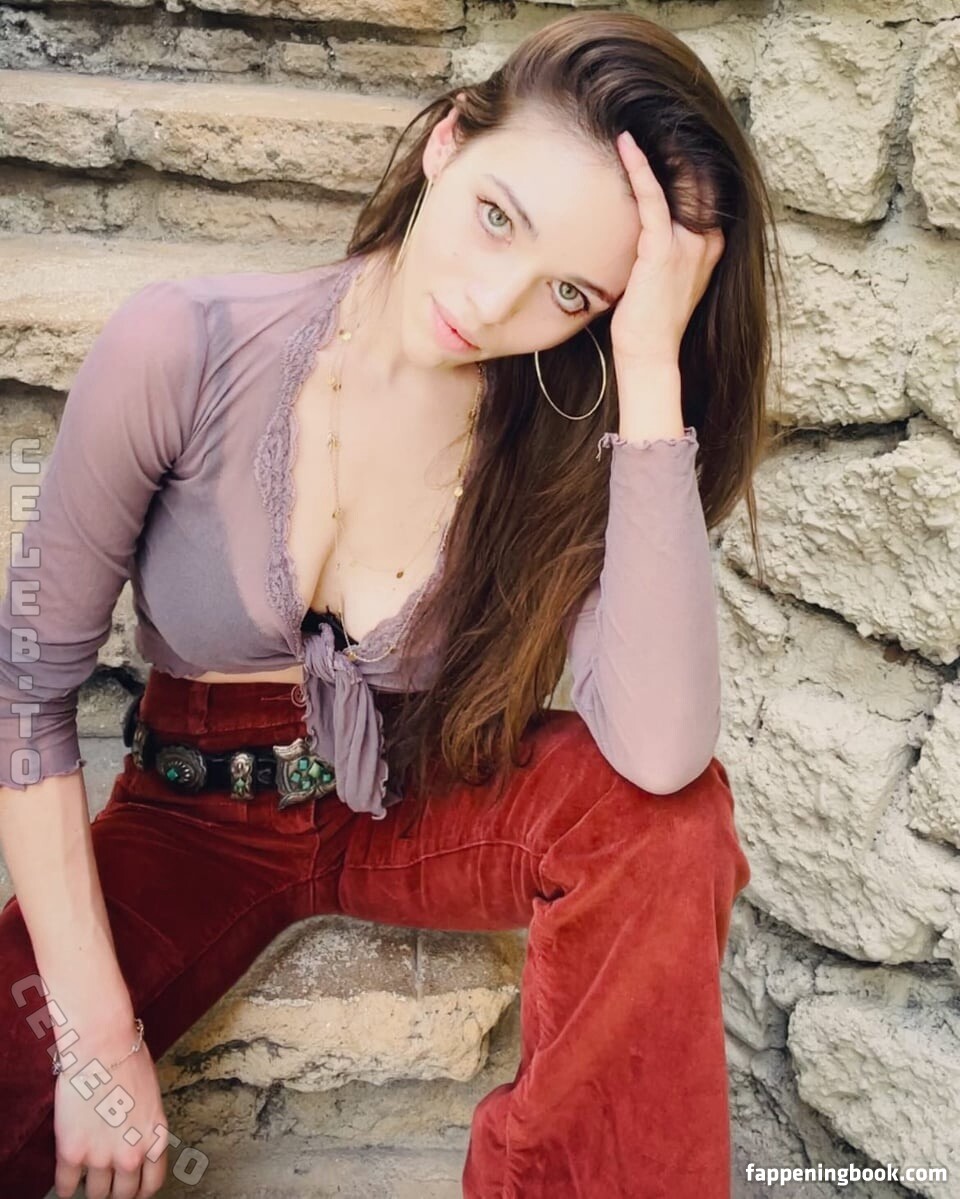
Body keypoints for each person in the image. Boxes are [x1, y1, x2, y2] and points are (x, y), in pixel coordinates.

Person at [0, 10, 779, 1198]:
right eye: (498, 216)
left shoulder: (560, 437)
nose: (497, 301)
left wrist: (648, 363)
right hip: (195, 809)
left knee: (668, 823)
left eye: (570, 291)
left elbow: (662, 754)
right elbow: (26, 695)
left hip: (422, 790)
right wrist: (97, 1044)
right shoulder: (184, 343)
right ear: (447, 142)